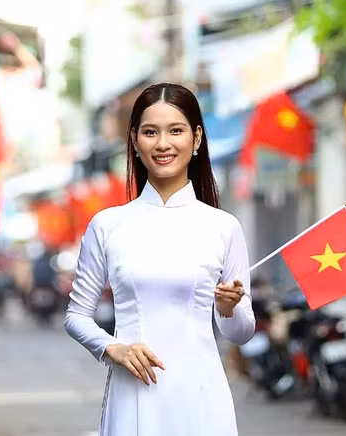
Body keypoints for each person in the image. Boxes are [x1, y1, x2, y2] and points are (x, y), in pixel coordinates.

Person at [64, 83, 255, 436]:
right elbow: (76, 316)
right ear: (135, 140)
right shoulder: (108, 225)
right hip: (133, 393)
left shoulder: (223, 227)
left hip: (202, 395)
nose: (163, 144)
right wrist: (112, 348)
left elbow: (241, 333)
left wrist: (228, 308)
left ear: (197, 138)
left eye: (176, 130)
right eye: (151, 132)